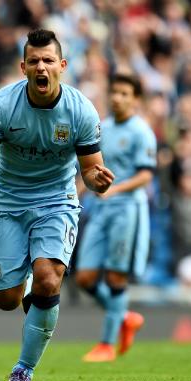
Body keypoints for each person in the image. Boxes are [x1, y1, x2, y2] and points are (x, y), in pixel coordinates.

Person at [0, 29, 114, 381]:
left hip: (56, 200)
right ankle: (25, 284)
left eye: (48, 60)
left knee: (48, 278)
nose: (41, 67)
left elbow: (91, 169)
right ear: (23, 67)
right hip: (9, 202)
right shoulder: (1, 105)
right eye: (34, 61)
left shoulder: (81, 111)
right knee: (6, 300)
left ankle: (23, 369)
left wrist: (97, 181)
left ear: (62, 66)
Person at [74, 73, 156, 362]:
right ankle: (124, 317)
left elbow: (146, 175)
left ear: (136, 99)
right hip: (100, 209)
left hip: (127, 209)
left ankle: (107, 345)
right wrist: (75, 193)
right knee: (84, 277)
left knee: (115, 276)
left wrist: (115, 189)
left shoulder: (141, 132)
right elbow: (90, 168)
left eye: (124, 93)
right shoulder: (102, 128)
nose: (117, 98)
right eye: (114, 92)